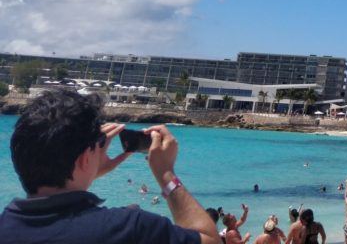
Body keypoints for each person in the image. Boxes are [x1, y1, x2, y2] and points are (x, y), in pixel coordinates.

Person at [0, 89, 219, 244]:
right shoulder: (128, 228)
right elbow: (210, 240)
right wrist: (165, 173)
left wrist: (83, 172)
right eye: (98, 146)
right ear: (86, 158)